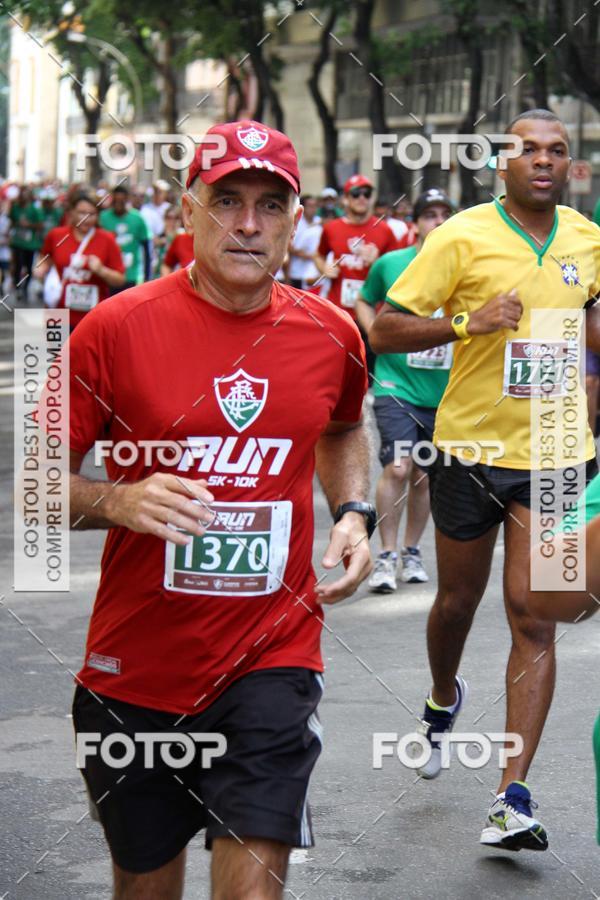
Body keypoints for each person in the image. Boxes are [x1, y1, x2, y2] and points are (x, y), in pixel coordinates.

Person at [68, 119, 373, 899]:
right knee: (145, 888)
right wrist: (118, 499)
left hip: (272, 659)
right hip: (135, 669)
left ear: (295, 220)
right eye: (226, 200)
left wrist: (352, 511)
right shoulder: (112, 330)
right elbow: (32, 484)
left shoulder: (332, 333)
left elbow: (341, 429)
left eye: (271, 205)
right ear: (187, 212)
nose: (247, 224)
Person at [370, 109, 600, 852]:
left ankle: (512, 797)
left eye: (557, 151)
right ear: (501, 164)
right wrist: (469, 323)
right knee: (457, 604)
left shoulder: (589, 240)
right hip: (468, 451)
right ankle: (443, 699)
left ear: (572, 165)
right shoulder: (460, 235)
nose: (544, 160)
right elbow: (386, 328)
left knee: (534, 615)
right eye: (528, 150)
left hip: (560, 453)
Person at [356, 189, 455, 591]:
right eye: (429, 215)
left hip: (442, 391)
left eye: (445, 214)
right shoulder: (391, 264)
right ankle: (386, 554)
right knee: (398, 465)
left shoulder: (464, 268)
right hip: (396, 385)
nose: (438, 222)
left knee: (423, 476)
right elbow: (365, 301)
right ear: (415, 224)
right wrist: (375, 334)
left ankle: (412, 552)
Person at [36, 192, 125, 328]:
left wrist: (101, 270)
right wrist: (40, 268)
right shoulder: (56, 235)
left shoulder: (107, 239)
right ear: (71, 212)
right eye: (82, 213)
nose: (86, 219)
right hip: (57, 315)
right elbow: (44, 258)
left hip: (92, 319)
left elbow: (120, 279)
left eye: (92, 214)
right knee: (55, 350)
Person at [99, 185, 153, 292]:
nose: (118, 205)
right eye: (116, 201)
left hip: (131, 274)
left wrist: (147, 277)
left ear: (127, 200)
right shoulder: (103, 217)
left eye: (122, 201)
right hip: (109, 274)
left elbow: (147, 249)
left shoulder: (137, 218)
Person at [9, 186, 43, 299]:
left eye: (26, 194)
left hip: (30, 243)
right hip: (17, 242)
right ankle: (17, 287)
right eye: (22, 194)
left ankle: (25, 288)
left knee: (28, 266)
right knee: (18, 264)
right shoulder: (15, 207)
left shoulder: (34, 209)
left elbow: (40, 225)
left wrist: (29, 225)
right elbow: (12, 221)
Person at [287, 194, 322, 290]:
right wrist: (310, 256)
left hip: (315, 274)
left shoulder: (319, 222)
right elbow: (288, 247)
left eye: (315, 206)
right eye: (310, 206)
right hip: (297, 273)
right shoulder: (295, 223)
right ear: (302, 207)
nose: (313, 209)